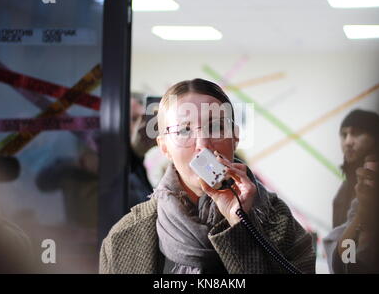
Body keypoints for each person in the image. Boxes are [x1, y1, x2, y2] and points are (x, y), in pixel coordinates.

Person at [99, 78, 315, 274]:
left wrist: (240, 225)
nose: (203, 145)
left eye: (216, 127)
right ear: (164, 147)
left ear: (235, 138)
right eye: (184, 131)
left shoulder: (281, 223)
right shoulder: (123, 237)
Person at [331, 109, 379, 228]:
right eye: (344, 135)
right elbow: (342, 244)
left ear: (375, 136)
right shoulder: (340, 197)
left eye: (356, 132)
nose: (348, 142)